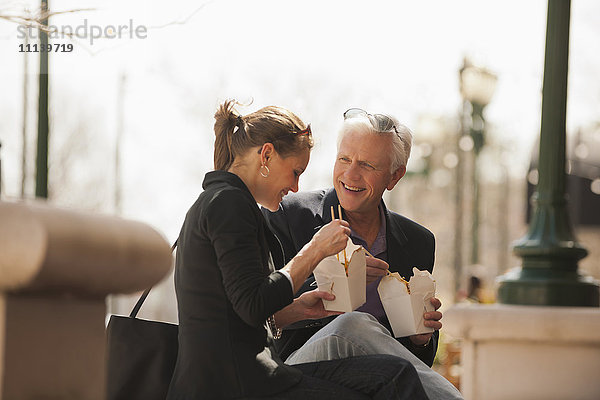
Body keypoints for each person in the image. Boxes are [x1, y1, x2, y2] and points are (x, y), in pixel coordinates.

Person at [166, 101, 430, 400]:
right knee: (391, 379)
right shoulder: (230, 204)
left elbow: (238, 312)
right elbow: (253, 303)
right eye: (295, 171)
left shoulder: (222, 201)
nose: (295, 186)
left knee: (392, 376)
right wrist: (315, 251)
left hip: (245, 376)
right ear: (266, 155)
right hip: (237, 383)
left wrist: (296, 310)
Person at [262, 108, 464, 400]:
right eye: (344, 159)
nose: (350, 174)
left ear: (394, 176)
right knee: (354, 324)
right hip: (299, 371)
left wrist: (420, 339)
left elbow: (411, 362)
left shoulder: (418, 242)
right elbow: (258, 309)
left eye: (367, 165)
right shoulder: (290, 215)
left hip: (374, 382)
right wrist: (332, 282)